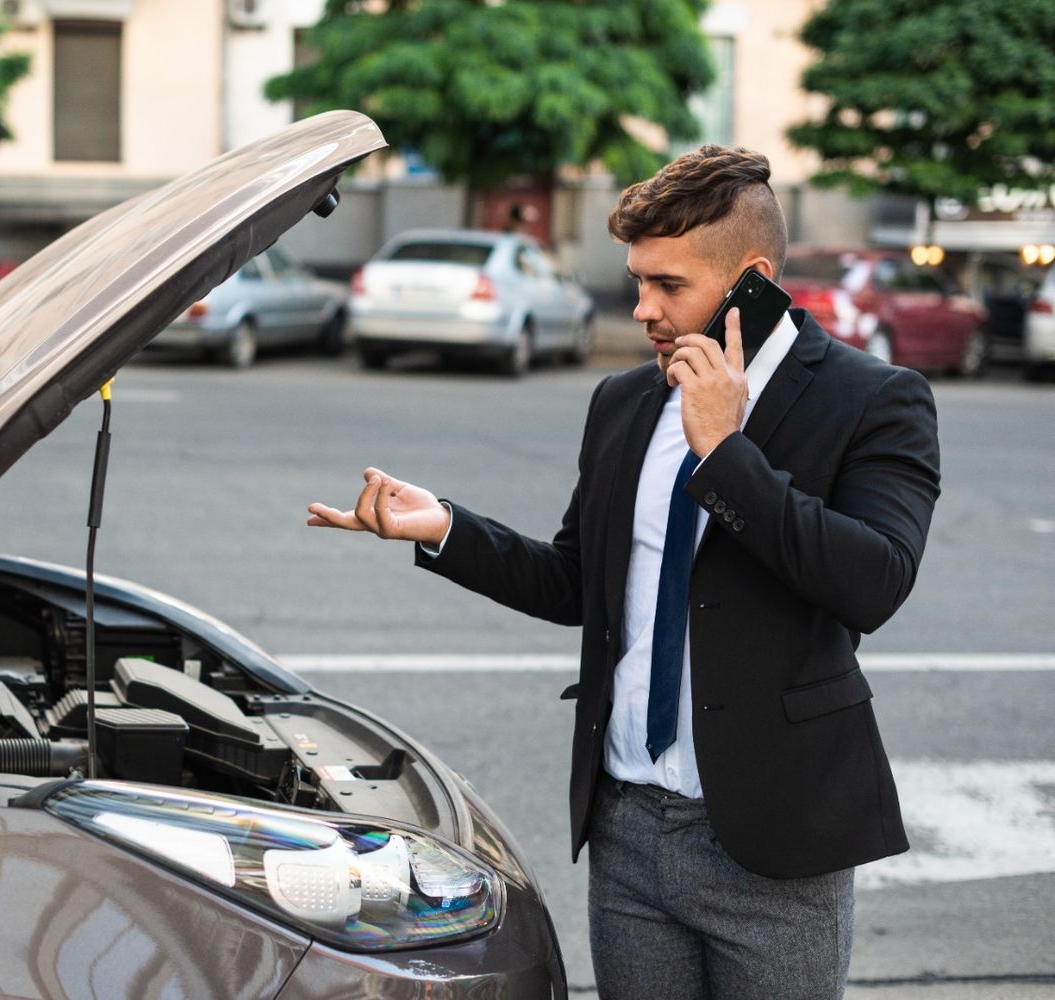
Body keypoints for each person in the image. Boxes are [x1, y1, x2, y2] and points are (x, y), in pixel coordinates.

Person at [306, 145, 940, 1000]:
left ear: (751, 279)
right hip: (629, 829)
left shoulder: (874, 400)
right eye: (636, 279)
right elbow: (575, 583)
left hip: (775, 839)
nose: (640, 308)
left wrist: (726, 450)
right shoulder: (625, 401)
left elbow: (875, 582)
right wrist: (447, 528)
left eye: (668, 286)